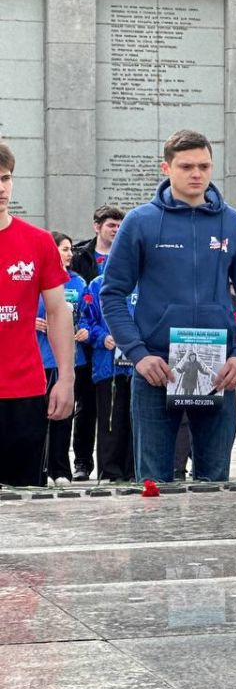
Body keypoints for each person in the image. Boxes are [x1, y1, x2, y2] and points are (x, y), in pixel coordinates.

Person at [100, 129, 236, 482]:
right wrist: (138, 353)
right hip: (157, 368)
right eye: (186, 166)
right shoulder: (140, 221)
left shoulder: (232, 222)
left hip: (217, 369)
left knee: (215, 483)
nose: (197, 174)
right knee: (154, 483)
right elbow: (112, 293)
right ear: (167, 168)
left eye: (204, 166)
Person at [0, 139, 76, 486]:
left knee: (24, 506)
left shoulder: (38, 241)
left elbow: (59, 312)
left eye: (6, 177)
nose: (1, 188)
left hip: (24, 392)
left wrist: (66, 377)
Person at [68, 205, 123, 481]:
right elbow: (74, 300)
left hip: (114, 351)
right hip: (86, 343)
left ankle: (117, 463)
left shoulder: (127, 256)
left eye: (118, 225)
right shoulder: (82, 257)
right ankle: (82, 462)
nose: (115, 230)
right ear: (97, 226)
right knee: (85, 406)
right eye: (110, 225)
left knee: (113, 408)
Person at [36, 232, 89, 486]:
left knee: (63, 416)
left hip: (69, 361)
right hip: (40, 359)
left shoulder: (78, 284)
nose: (69, 254)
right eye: (64, 249)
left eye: (70, 249)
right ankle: (40, 467)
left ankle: (60, 470)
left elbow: (88, 314)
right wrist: (32, 322)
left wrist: (85, 329)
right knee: (39, 418)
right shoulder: (37, 280)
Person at [80, 270, 135, 483]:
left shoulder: (144, 281)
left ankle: (133, 471)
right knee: (111, 420)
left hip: (140, 366)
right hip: (108, 366)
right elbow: (84, 321)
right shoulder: (97, 285)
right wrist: (102, 337)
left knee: (136, 421)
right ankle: (110, 472)